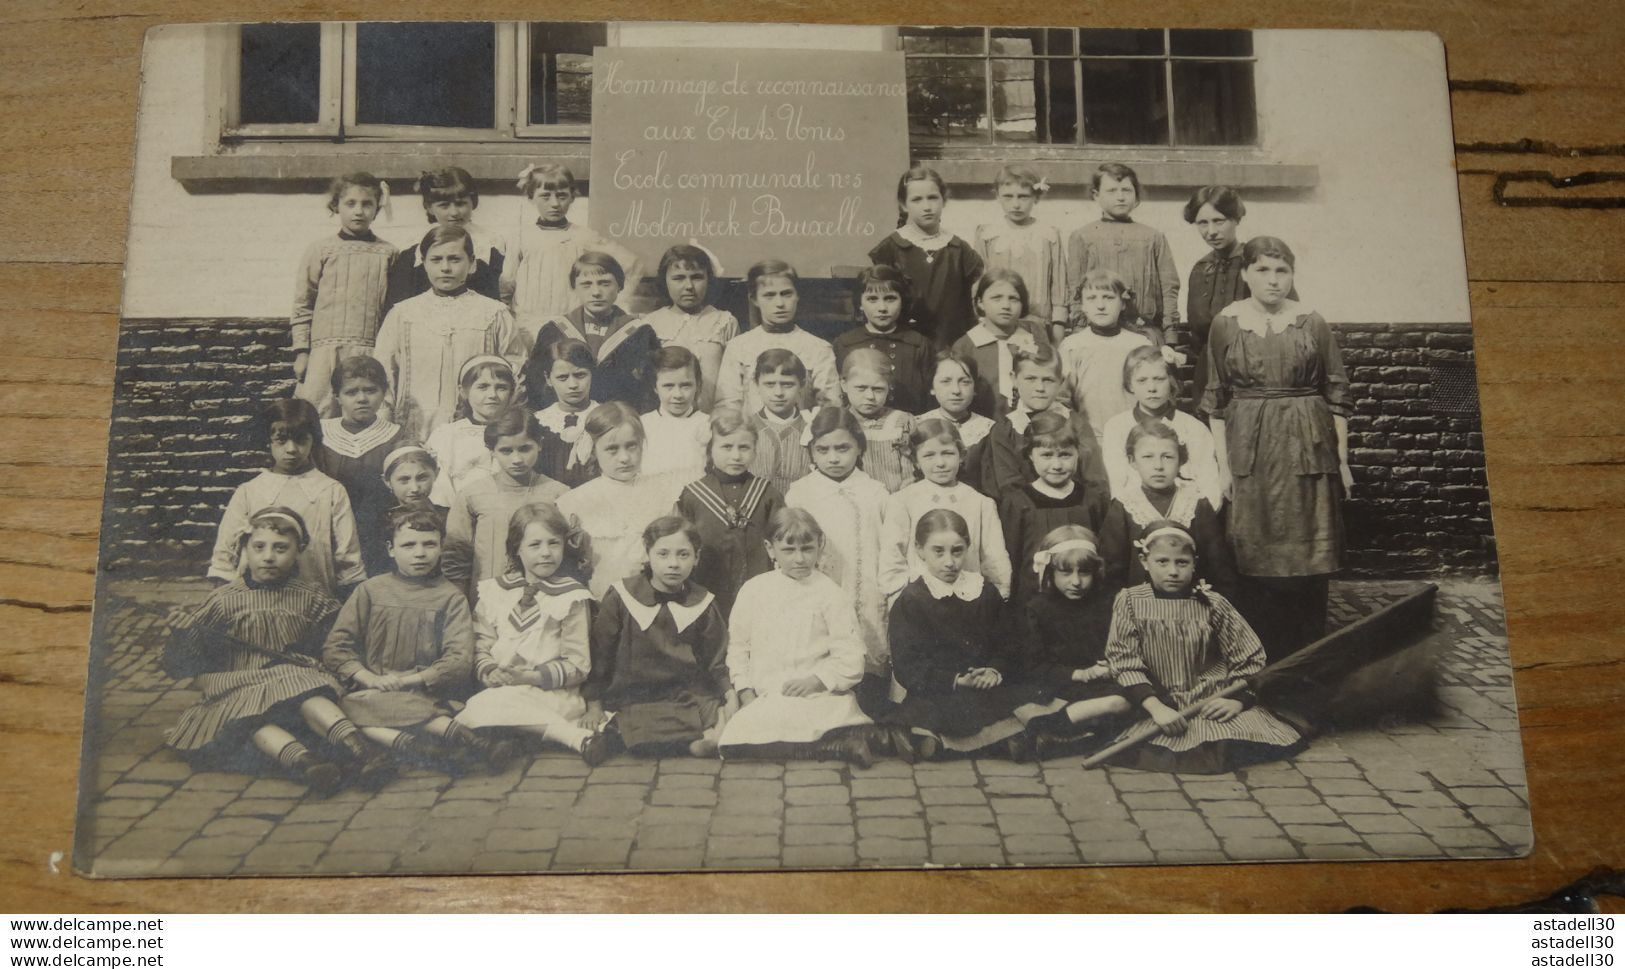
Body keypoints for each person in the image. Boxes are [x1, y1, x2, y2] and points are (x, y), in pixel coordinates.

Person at [1202, 236, 1351, 660]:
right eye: (1263, 270)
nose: (1273, 280)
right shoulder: (1226, 323)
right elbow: (1216, 400)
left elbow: (1337, 394)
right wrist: (1225, 467)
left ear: (1292, 275)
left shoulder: (1311, 321)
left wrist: (1342, 461)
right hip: (1250, 445)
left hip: (1308, 443)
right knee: (1252, 546)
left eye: (1282, 270)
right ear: (1246, 273)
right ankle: (1255, 656)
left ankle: (1307, 652)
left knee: (1308, 545)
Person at [166, 507, 385, 793]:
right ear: (246, 549)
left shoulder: (312, 597)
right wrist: (181, 633)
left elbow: (340, 643)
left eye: (281, 548)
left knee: (305, 689)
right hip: (241, 684)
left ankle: (361, 751)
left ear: (298, 552)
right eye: (259, 547)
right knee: (250, 718)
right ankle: (308, 764)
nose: (269, 557)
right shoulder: (223, 601)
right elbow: (182, 666)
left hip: (299, 679)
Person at [322, 506, 513, 774]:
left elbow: (458, 660)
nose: (420, 553)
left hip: (424, 689)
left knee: (361, 709)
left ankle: (421, 745)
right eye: (409, 545)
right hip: (373, 687)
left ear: (441, 546)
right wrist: (370, 678)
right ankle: (452, 741)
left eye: (429, 544)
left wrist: (409, 681)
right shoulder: (370, 591)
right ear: (391, 549)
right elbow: (336, 648)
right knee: (346, 706)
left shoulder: (450, 597)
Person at [1103, 520, 1305, 773]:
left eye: (1182, 563)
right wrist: (1156, 707)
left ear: (1194, 563)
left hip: (1210, 697)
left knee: (1226, 740)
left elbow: (1249, 656)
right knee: (1150, 743)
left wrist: (1237, 700)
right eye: (1162, 562)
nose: (1173, 571)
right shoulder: (1130, 601)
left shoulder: (1212, 603)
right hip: (1158, 699)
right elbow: (1123, 659)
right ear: (1145, 561)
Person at [885, 509, 1053, 761]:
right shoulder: (912, 599)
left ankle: (936, 739)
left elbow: (1008, 642)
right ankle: (983, 740)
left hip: (983, 687)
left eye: (957, 550)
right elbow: (908, 665)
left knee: (1030, 696)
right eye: (938, 551)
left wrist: (994, 671)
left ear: (967, 548)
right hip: (940, 688)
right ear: (920, 550)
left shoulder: (983, 591)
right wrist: (955, 680)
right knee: (940, 709)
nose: (949, 562)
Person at [716, 508, 875, 766]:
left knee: (820, 715)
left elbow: (851, 656)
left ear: (820, 546)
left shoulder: (830, 594)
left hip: (818, 694)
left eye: (807, 549)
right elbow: (738, 647)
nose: (799, 559)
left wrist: (818, 681)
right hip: (768, 693)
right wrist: (745, 690)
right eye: (789, 551)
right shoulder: (754, 590)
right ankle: (831, 746)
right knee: (736, 741)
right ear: (770, 549)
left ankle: (833, 743)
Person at [457, 502, 610, 766]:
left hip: (552, 690)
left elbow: (578, 664)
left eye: (554, 544)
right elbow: (481, 641)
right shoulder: (495, 591)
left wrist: (528, 677)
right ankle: (575, 738)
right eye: (534, 545)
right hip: (503, 686)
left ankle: (570, 737)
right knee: (485, 704)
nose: (546, 553)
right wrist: (490, 670)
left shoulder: (572, 596)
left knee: (480, 711)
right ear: (516, 548)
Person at [584, 515, 731, 757]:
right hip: (635, 692)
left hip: (685, 693)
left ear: (697, 558)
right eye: (663, 554)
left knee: (714, 712)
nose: (673, 563)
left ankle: (646, 738)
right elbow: (600, 653)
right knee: (635, 715)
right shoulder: (622, 596)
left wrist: (729, 694)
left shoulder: (703, 602)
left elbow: (717, 658)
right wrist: (593, 703)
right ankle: (682, 742)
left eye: (684, 554)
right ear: (648, 554)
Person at [372, 224, 522, 442]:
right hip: (416, 431)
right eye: (436, 260)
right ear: (423, 263)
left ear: (471, 264)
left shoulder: (494, 313)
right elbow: (384, 373)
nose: (445, 268)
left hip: (479, 432)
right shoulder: (403, 314)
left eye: (454, 259)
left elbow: (516, 370)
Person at [784, 407, 892, 712]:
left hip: (867, 589)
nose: (833, 458)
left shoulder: (875, 493)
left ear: (858, 447)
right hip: (819, 588)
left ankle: (872, 713)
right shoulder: (801, 493)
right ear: (812, 451)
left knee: (867, 650)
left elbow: (889, 546)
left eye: (842, 448)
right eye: (823, 450)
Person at [208, 399, 364, 599]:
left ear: (313, 440)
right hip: (253, 601)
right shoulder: (250, 491)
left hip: (315, 600)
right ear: (268, 442)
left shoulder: (331, 491)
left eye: (300, 440)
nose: (291, 449)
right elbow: (225, 553)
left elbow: (348, 557)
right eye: (281, 440)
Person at [290, 172, 396, 413]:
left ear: (377, 208)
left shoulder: (388, 253)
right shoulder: (321, 250)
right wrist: (302, 352)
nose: (358, 211)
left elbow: (392, 308)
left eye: (367, 204)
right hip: (324, 353)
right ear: (336, 205)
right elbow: (303, 304)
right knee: (318, 413)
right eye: (350, 203)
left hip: (370, 350)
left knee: (364, 413)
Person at [1018, 525, 1129, 756]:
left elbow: (1124, 645)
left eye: (1084, 573)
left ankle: (1058, 734)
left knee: (1139, 696)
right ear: (1049, 573)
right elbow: (1034, 665)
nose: (1076, 582)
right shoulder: (1038, 608)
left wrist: (1110, 666)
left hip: (1103, 680)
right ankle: (1052, 726)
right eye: (1066, 573)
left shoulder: (1109, 603)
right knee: (1117, 703)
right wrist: (1080, 674)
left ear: (1095, 572)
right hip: (1062, 682)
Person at [501, 163, 639, 348]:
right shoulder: (520, 236)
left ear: (572, 197)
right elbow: (507, 281)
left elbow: (631, 264)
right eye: (545, 196)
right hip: (527, 323)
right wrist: (510, 313)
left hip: (570, 325)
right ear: (531, 197)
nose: (555, 204)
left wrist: (619, 303)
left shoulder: (583, 236)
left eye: (562, 196)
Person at [557, 402, 685, 598]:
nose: (624, 457)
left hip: (653, 601)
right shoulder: (575, 502)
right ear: (593, 450)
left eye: (631, 446)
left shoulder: (663, 494)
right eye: (612, 449)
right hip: (599, 601)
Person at [1182, 186, 1293, 410]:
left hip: (1255, 368)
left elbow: (1288, 319)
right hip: (1210, 370)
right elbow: (1197, 332)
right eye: (1202, 223)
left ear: (1236, 219)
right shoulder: (1201, 268)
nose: (1211, 231)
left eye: (1219, 221)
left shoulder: (1258, 264)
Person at [1098, 422, 1237, 599]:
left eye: (1168, 457)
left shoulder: (1196, 502)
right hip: (1140, 607)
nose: (1158, 466)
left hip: (1192, 605)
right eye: (1148, 457)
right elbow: (1111, 570)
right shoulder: (1124, 505)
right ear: (1133, 461)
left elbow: (1219, 565)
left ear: (1180, 460)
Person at [441, 408, 568, 601]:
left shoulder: (559, 494)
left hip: (545, 600)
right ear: (492, 451)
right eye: (506, 451)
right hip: (486, 599)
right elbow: (455, 556)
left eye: (525, 449)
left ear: (539, 445)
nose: (516, 459)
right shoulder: (472, 494)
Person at [880, 418, 1012, 600]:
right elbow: (892, 554)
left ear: (962, 456)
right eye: (929, 455)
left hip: (969, 598)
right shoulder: (903, 501)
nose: (940, 463)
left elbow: (994, 557)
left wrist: (999, 594)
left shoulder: (981, 503)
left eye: (948, 453)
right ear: (916, 461)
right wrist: (900, 596)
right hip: (920, 601)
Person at [676, 405, 782, 619]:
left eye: (744, 447)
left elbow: (781, 542)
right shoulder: (693, 495)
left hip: (758, 589)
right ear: (710, 450)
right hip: (707, 587)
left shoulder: (768, 494)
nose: (736, 456)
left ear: (755, 449)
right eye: (726, 447)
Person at [522, 250, 660, 414]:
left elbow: (650, 388)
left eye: (605, 283)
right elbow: (537, 385)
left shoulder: (639, 332)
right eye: (586, 284)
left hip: (620, 421)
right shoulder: (554, 331)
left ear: (620, 286)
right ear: (574, 288)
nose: (596, 292)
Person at [998, 410, 1109, 607]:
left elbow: (1103, 556)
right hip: (1033, 603)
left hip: (1086, 600)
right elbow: (1011, 559)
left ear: (1078, 453)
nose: (1056, 465)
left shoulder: (1092, 500)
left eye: (1065, 455)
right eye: (1047, 455)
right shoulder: (1018, 502)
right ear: (1030, 455)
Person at [869, 166, 984, 350]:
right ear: (904, 205)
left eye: (933, 198)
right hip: (904, 344)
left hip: (950, 343)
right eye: (917, 200)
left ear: (943, 200)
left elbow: (970, 306)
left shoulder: (958, 250)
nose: (927, 207)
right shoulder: (891, 248)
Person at [1065, 162, 1180, 342]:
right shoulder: (1082, 237)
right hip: (1098, 334)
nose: (1120, 197)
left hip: (1145, 332)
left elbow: (1169, 287)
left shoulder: (1153, 237)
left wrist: (1170, 334)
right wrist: (1079, 329)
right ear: (1096, 195)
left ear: (1136, 195)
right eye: (1112, 191)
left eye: (1126, 190)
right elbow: (1075, 288)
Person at [980, 342, 1108, 500]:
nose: (1040, 387)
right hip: (1026, 514)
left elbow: (1095, 480)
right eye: (1030, 379)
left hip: (1076, 511)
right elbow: (1008, 485)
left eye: (1048, 380)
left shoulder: (1076, 424)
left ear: (1061, 381)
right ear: (1014, 378)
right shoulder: (1004, 429)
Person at [316, 356, 405, 576]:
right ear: (337, 396)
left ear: (384, 392)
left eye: (370, 390)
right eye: (351, 392)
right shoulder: (321, 433)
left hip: (377, 532)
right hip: (329, 529)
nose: (362, 398)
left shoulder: (395, 436)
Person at [1101, 346, 1221, 507]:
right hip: (1136, 515)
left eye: (1159, 379)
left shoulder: (1193, 428)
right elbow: (1116, 484)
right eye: (1142, 380)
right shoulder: (1117, 427)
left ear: (1171, 382)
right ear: (1130, 385)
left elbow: (1210, 485)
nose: (1151, 388)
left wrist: (1194, 518)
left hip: (1186, 517)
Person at [715, 260, 841, 413]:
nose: (780, 303)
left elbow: (830, 407)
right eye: (769, 295)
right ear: (754, 299)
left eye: (786, 294)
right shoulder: (738, 347)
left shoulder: (819, 348)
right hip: (751, 434)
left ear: (797, 295)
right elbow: (728, 406)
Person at [384, 166, 505, 315]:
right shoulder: (414, 248)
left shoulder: (489, 245)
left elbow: (499, 297)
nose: (454, 212)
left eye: (461, 203)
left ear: (473, 202)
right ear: (429, 207)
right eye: (444, 205)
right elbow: (399, 302)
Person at [973, 166, 1069, 344]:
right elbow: (978, 282)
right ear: (997, 196)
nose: (1016, 204)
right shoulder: (988, 234)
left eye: (1023, 196)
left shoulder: (1048, 235)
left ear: (1036, 197)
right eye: (1008, 196)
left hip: (1039, 326)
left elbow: (1059, 287)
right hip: (995, 325)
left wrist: (1058, 330)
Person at [640, 243, 739, 410]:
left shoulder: (724, 322)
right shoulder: (650, 324)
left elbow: (733, 383)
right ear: (665, 280)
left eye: (697, 277)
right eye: (678, 278)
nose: (689, 286)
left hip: (714, 421)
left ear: (708, 279)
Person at [1060, 268, 1155, 442]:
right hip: (1090, 440)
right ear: (1082, 305)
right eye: (1091, 298)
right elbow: (1063, 399)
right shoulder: (1073, 346)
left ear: (1123, 303)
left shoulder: (1139, 345)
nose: (1101, 305)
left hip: (1135, 437)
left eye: (1109, 298)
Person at [950, 269, 1052, 420]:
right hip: (982, 427)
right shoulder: (965, 346)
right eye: (996, 298)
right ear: (980, 302)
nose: (1006, 305)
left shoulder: (1034, 337)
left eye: (1013, 299)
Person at [832, 265, 933, 414]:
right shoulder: (845, 344)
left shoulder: (918, 344)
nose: (882, 308)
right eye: (872, 299)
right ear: (860, 303)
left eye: (890, 298)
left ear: (902, 301)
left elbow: (929, 398)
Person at [423, 355, 517, 508]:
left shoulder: (518, 433)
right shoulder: (447, 435)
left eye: (501, 387)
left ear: (511, 392)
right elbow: (439, 488)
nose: (492, 395)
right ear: (464, 391)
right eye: (482, 387)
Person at [917, 350, 995, 490]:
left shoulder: (989, 429)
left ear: (975, 387)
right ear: (931, 388)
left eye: (964, 382)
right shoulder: (917, 425)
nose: (956, 390)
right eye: (946, 382)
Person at [841, 348, 916, 493]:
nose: (870, 396)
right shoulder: (837, 422)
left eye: (878, 389)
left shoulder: (900, 421)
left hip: (896, 499)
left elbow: (912, 468)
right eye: (861, 388)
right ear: (844, 384)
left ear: (889, 387)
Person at [744, 349, 815, 498]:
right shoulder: (745, 428)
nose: (778, 393)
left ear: (802, 386)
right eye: (769, 384)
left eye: (787, 384)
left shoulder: (812, 428)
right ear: (756, 384)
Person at [530, 338, 599, 490]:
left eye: (580, 375)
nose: (573, 385)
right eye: (562, 378)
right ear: (548, 379)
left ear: (592, 374)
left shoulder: (607, 416)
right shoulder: (537, 421)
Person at [639, 345, 711, 490]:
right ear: (655, 387)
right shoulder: (643, 424)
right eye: (668, 386)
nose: (678, 395)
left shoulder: (707, 424)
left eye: (686, 385)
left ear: (698, 385)